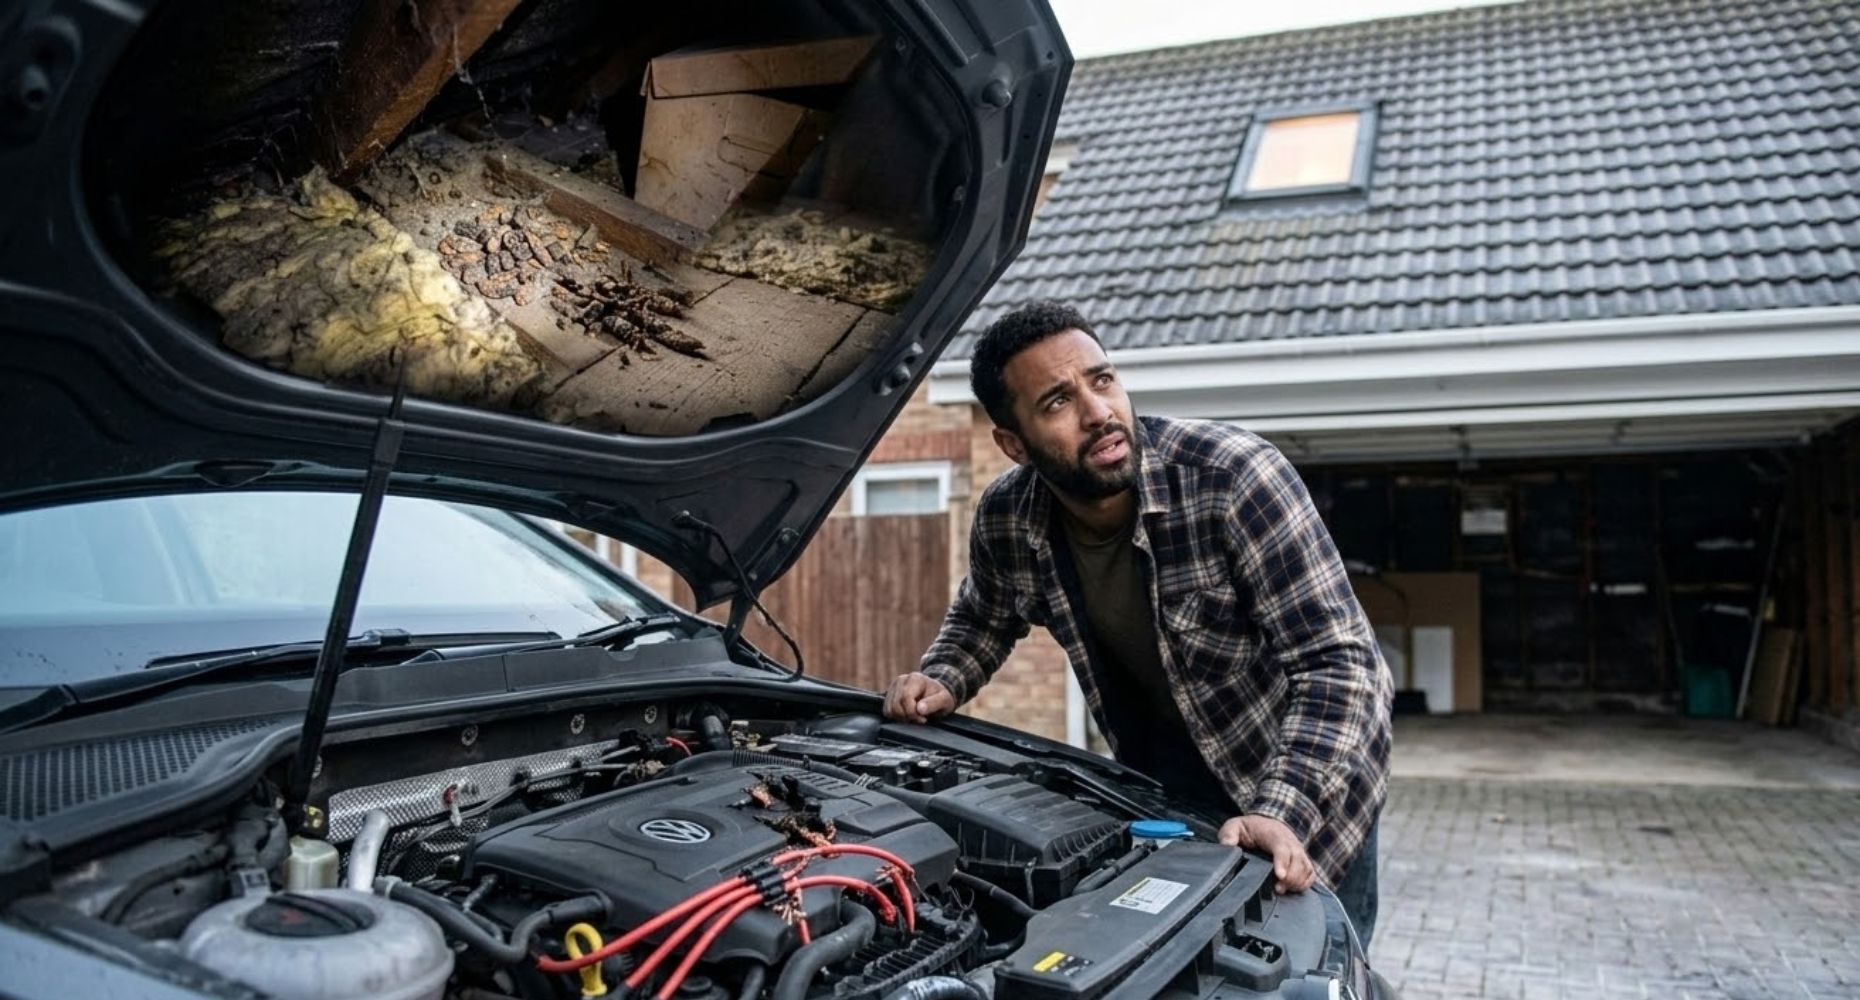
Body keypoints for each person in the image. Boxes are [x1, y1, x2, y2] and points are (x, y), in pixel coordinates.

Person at [882, 301, 1394, 942]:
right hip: (1169, 795)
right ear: (1014, 445)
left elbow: (1342, 665)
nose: (1098, 414)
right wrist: (944, 677)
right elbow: (985, 613)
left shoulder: (1233, 479)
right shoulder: (1008, 516)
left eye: (1102, 380)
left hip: (1309, 788)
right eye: (1057, 403)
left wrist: (1279, 808)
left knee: (1312, 966)